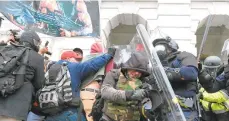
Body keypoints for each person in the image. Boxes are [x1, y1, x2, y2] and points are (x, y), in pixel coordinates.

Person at [45, 48, 116, 121]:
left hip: (50, 112)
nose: (77, 61)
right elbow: (92, 65)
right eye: (75, 59)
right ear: (68, 59)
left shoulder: (49, 71)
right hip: (69, 112)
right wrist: (109, 55)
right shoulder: (73, 67)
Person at [0, 31, 45, 121]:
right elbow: (39, 84)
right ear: (34, 42)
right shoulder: (37, 57)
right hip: (16, 107)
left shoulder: (5, 50)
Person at [152, 36, 199, 120]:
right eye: (156, 48)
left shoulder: (183, 56)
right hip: (161, 111)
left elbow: (191, 73)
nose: (159, 51)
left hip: (183, 109)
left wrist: (168, 73)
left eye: (161, 47)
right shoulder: (154, 65)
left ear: (171, 47)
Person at [100, 52, 154, 121]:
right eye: (135, 70)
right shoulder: (114, 74)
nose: (137, 73)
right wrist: (129, 94)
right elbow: (105, 92)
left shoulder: (143, 82)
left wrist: (147, 101)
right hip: (109, 118)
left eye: (140, 72)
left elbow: (147, 104)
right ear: (128, 67)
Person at [198, 56, 229, 121]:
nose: (210, 72)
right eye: (208, 69)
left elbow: (223, 95)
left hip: (223, 114)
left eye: (213, 69)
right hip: (207, 113)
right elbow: (204, 89)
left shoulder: (224, 77)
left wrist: (201, 96)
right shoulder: (206, 78)